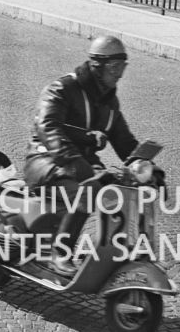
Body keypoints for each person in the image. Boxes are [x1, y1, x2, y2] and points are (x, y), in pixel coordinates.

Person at [25, 34, 140, 276]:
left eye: (123, 67)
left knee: (118, 190)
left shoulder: (109, 101)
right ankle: (58, 253)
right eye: (115, 67)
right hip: (46, 161)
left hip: (82, 166)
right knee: (87, 192)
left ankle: (111, 251)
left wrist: (146, 166)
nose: (120, 74)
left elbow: (125, 142)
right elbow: (48, 127)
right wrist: (74, 163)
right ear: (98, 65)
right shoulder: (63, 88)